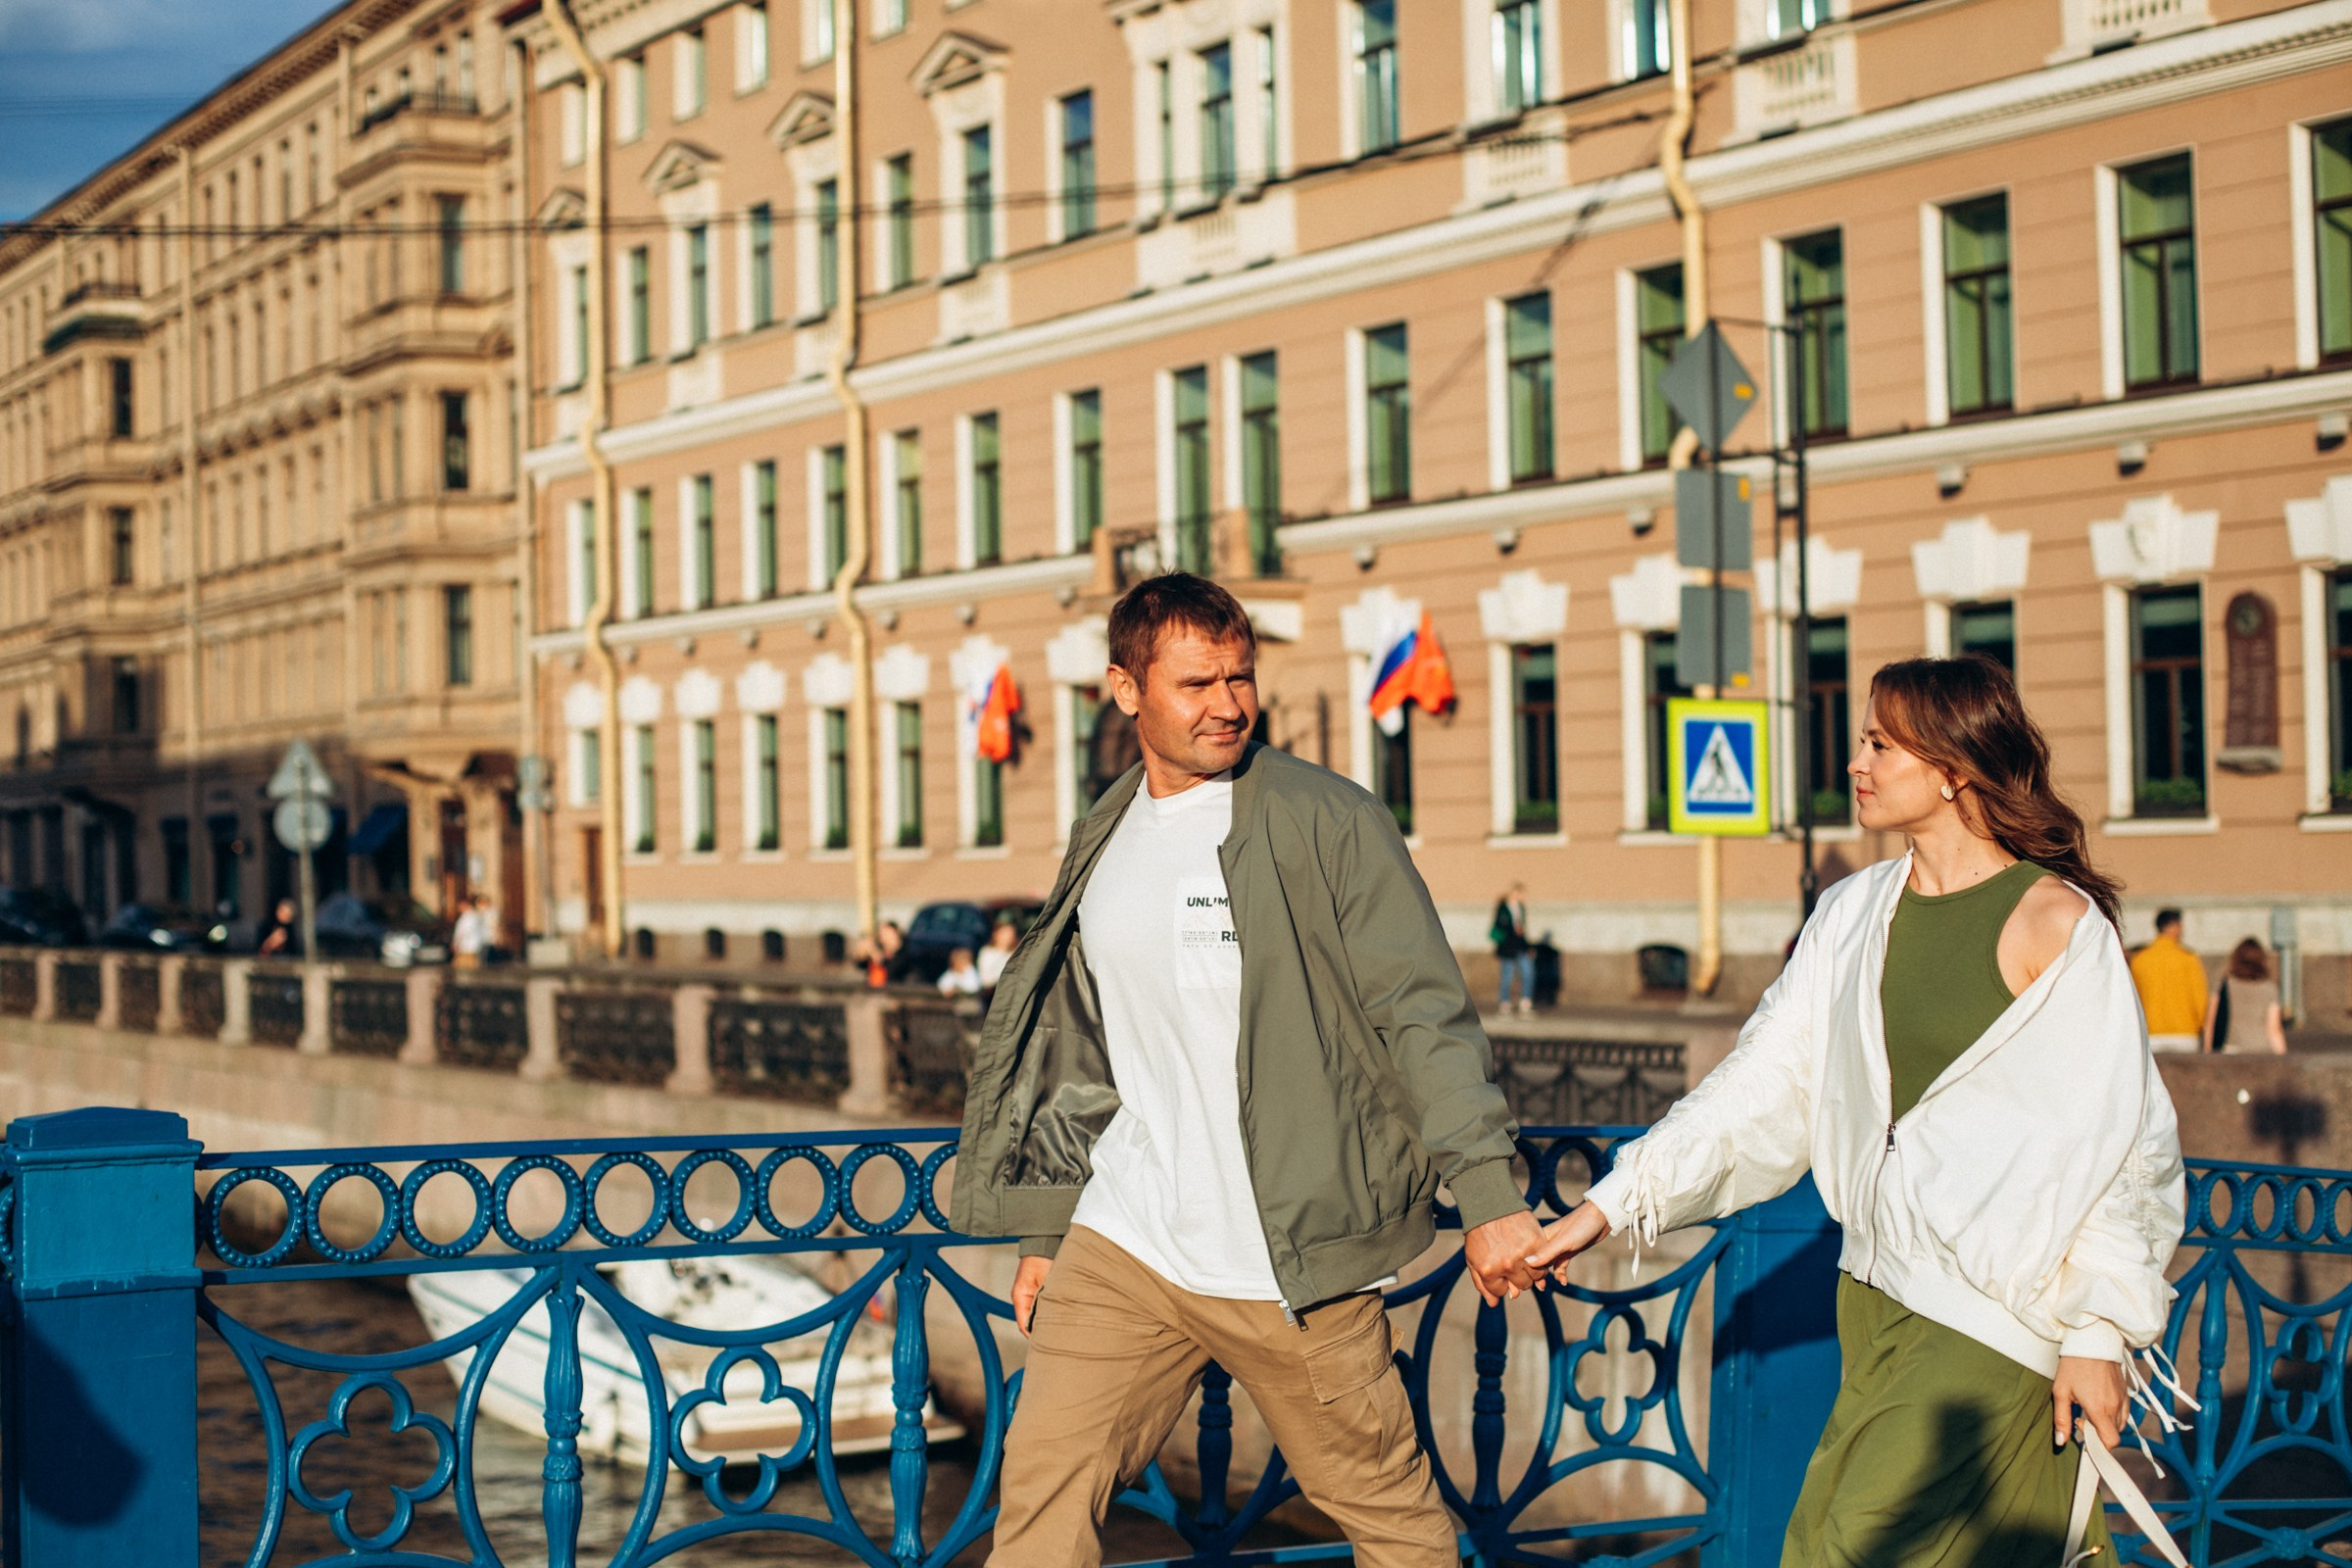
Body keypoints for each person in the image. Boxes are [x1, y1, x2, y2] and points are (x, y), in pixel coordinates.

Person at [1526, 655, 2185, 1568]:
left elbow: (2127, 1146)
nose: (1856, 762)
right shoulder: (1851, 913)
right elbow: (1762, 1086)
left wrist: (2099, 1332)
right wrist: (1611, 1204)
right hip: (1871, 1302)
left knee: (1845, 1548)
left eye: (1881, 742)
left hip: (1992, 1320)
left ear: (1953, 768)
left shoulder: (2055, 925)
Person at [954, 572, 1541, 1568]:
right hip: (1131, 1238)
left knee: (1393, 1521)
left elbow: (1422, 1013)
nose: (1228, 703)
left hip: (1291, 1257)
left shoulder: (1328, 821)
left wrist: (1485, 1191)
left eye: (1241, 676)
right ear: (1126, 688)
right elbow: (1083, 1038)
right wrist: (1052, 1219)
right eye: (1196, 682)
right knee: (1041, 1485)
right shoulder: (1108, 828)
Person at [2131, 908, 2208, 1054]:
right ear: (2175, 927)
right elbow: (2200, 1000)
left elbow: (2134, 997)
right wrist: (2199, 1026)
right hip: (2185, 1031)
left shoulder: (2140, 959)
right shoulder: (2188, 958)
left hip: (2151, 1032)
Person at [2208, 938, 2288, 1054]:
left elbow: (2211, 1024)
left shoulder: (2223, 986)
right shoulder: (2270, 989)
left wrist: (2208, 1054)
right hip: (2262, 1051)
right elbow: (2274, 1030)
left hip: (2231, 1050)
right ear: (2262, 961)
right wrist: (2282, 1057)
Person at [1491, 883, 1534, 1014]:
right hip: (1507, 948)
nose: (1522, 897)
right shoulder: (1503, 908)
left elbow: (1523, 930)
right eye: (1521, 894)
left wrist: (1528, 946)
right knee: (1507, 976)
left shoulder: (1521, 908)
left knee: (1527, 973)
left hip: (1520, 947)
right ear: (1515, 893)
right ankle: (1505, 1003)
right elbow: (1499, 926)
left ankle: (1525, 1002)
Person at [976, 916, 1018, 994]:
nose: (1008, 936)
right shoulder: (987, 953)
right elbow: (986, 980)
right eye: (1005, 932)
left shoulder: (1017, 953)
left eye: (1011, 933)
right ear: (996, 934)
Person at [450, 896, 486, 970]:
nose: (458, 908)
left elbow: (463, 932)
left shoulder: (469, 917)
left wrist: (456, 943)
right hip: (470, 947)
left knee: (465, 968)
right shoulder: (471, 916)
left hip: (467, 948)